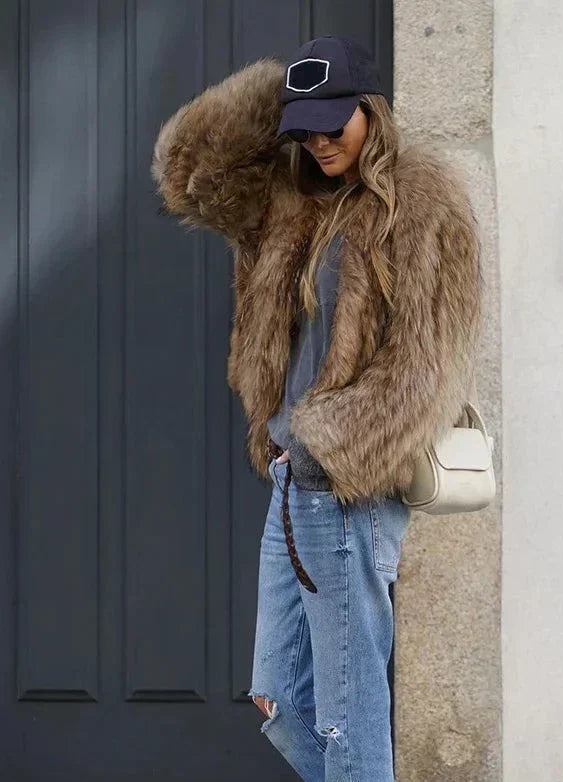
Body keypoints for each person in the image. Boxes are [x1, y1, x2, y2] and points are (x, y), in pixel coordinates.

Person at [151, 34, 483, 782]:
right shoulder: (290, 197)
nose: (322, 142)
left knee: (347, 707)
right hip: (291, 480)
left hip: (346, 484)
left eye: (336, 123)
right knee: (282, 700)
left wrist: (328, 445)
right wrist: (272, 94)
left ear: (373, 111)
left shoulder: (422, 202)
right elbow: (190, 176)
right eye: (306, 127)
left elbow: (424, 365)